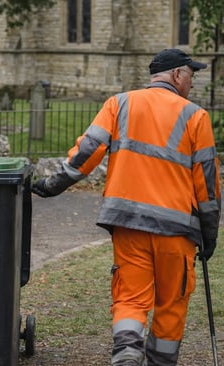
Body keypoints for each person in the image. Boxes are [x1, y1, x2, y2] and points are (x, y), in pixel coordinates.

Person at [31, 48, 221, 366]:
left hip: (128, 224)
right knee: (172, 303)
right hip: (177, 232)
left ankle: (127, 356)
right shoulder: (196, 116)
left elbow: (86, 153)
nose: (192, 83)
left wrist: (52, 186)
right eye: (191, 75)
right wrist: (210, 233)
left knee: (130, 298)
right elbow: (207, 183)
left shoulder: (118, 104)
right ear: (176, 74)